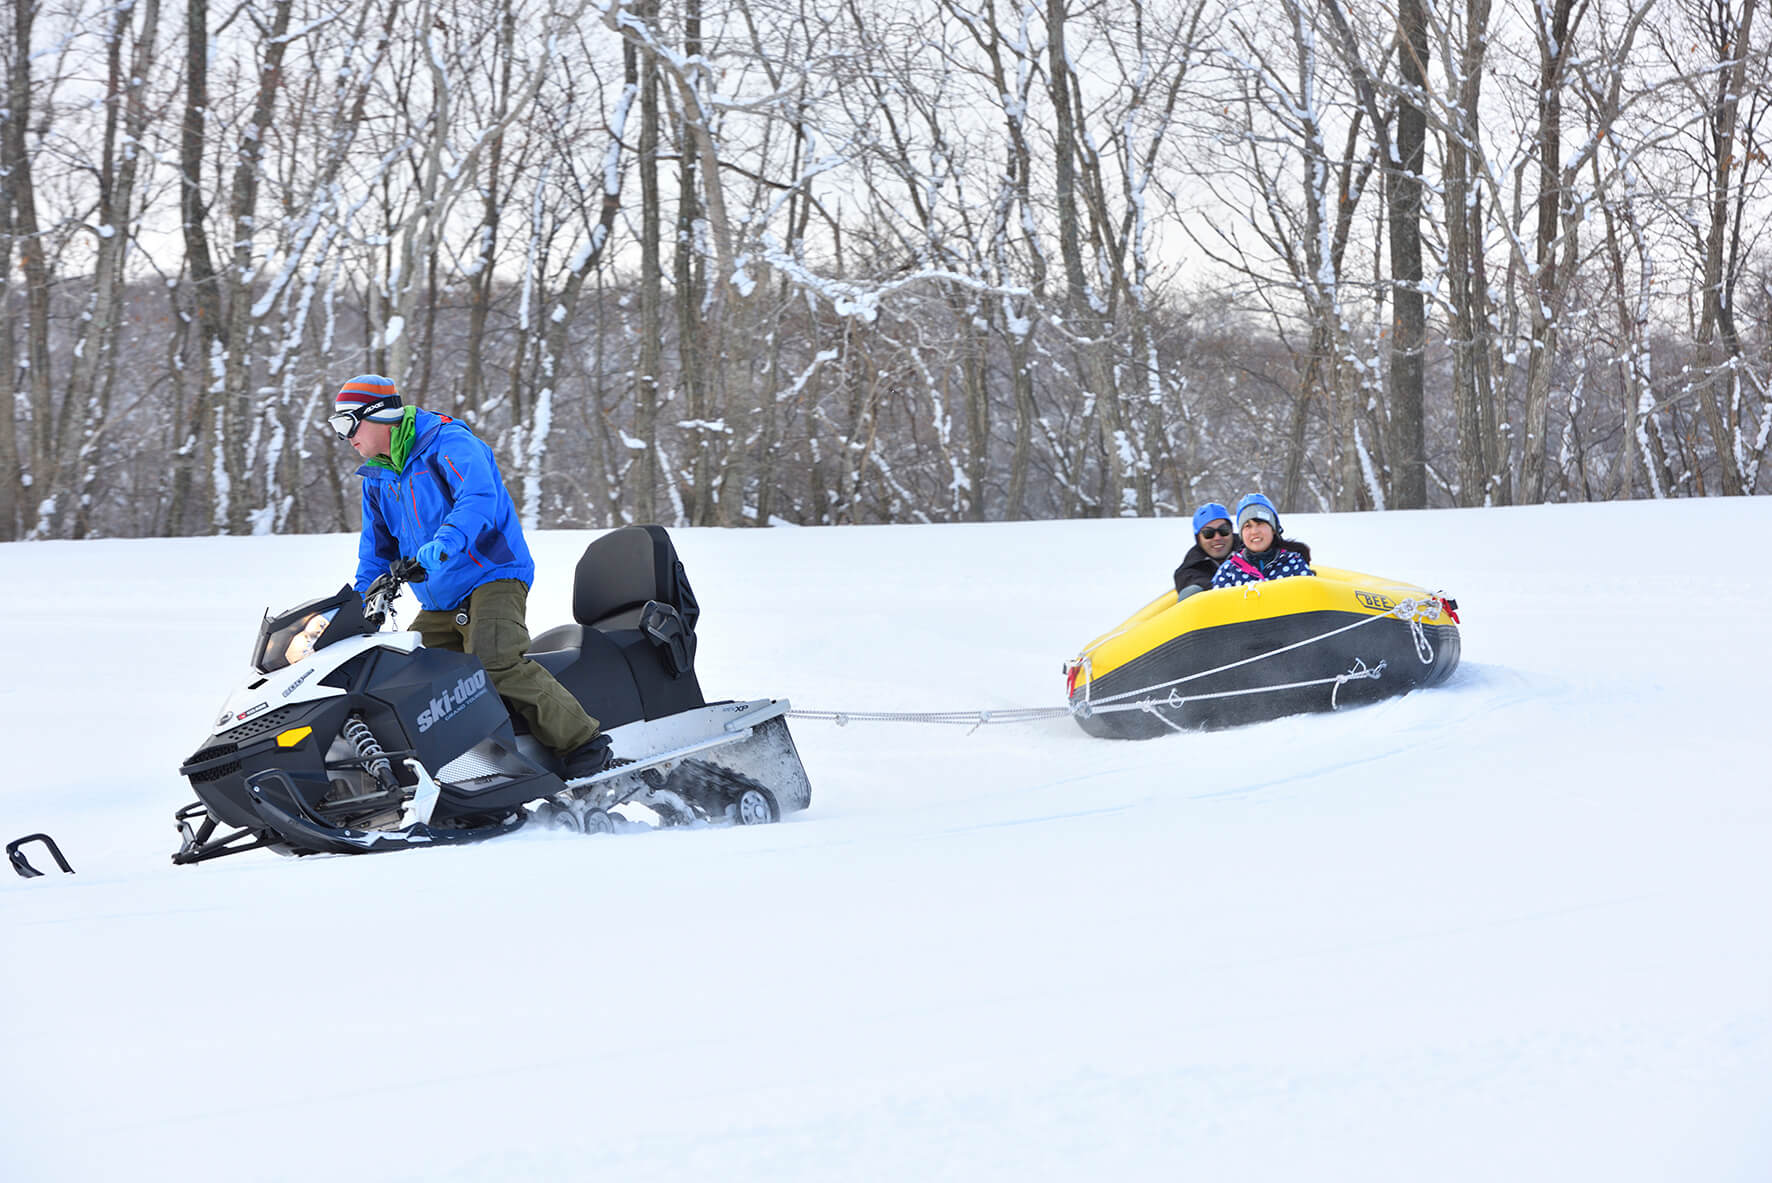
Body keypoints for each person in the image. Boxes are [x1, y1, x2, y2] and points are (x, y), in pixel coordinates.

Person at [331, 373, 613, 780]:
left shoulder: (448, 443)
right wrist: (360, 605)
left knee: (494, 659)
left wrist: (446, 541)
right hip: (440, 599)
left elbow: (479, 497)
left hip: (492, 575)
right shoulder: (378, 478)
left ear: (379, 416)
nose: (345, 438)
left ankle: (584, 743)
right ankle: (459, 769)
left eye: (347, 424)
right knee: (405, 677)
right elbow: (375, 551)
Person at [1210, 492, 1314, 588]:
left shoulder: (1293, 562)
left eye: (1260, 523)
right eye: (1247, 526)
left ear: (1273, 529)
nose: (1254, 531)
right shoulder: (1229, 570)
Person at [1173, 501, 1236, 598]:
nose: (1217, 538)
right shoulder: (1192, 564)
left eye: (1224, 530)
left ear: (1231, 531)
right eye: (1208, 533)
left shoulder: (1248, 549)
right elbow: (1187, 578)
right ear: (1198, 538)